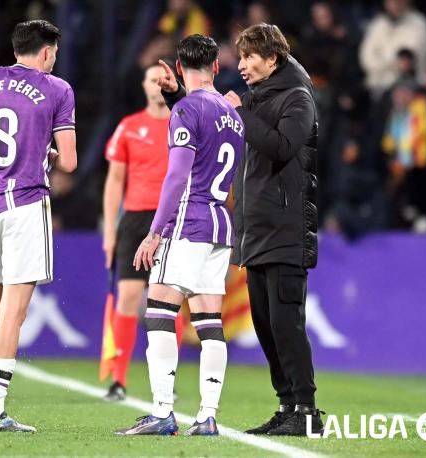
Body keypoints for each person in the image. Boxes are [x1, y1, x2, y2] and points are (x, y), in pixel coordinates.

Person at [159, 22, 324, 436]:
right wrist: (177, 96)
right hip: (256, 230)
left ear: (273, 59)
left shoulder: (297, 98)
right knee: (267, 326)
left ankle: (307, 410)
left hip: (286, 229)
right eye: (241, 56)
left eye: (251, 57)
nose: (243, 64)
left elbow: (283, 147)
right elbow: (212, 124)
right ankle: (287, 406)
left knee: (287, 325)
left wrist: (244, 111)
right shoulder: (261, 97)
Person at [0, 19, 76, 433]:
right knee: (14, 311)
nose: (54, 60)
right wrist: (47, 153)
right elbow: (71, 163)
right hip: (24, 200)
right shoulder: (57, 89)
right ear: (44, 51)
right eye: (54, 53)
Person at [116, 34, 244, 436]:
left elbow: (177, 175)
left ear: (178, 65)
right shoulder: (232, 112)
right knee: (209, 321)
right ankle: (207, 416)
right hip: (221, 222)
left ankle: (162, 412)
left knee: (159, 310)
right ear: (217, 67)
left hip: (189, 222)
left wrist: (155, 233)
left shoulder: (187, 109)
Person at [102, 64, 185, 401]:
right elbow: (114, 182)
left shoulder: (185, 123)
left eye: (161, 79)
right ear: (144, 86)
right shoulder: (129, 127)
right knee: (128, 298)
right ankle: (118, 380)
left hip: (173, 219)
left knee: (170, 302)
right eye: (151, 79)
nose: (156, 85)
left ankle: (167, 378)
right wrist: (110, 231)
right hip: (135, 220)